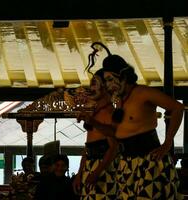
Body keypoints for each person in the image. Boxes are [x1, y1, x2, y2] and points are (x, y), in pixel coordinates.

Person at [86, 42, 184, 199]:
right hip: (126, 164)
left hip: (149, 161)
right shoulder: (118, 101)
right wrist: (93, 122)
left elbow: (177, 108)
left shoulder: (143, 93)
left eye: (111, 79)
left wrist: (167, 143)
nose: (108, 85)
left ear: (123, 76)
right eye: (106, 81)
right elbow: (115, 133)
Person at [74, 69, 119, 200]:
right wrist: (79, 174)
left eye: (95, 83)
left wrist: (97, 172)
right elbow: (87, 148)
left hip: (104, 170)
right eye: (91, 84)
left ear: (105, 87)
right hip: (90, 168)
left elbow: (114, 148)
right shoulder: (94, 112)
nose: (91, 88)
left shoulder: (109, 113)